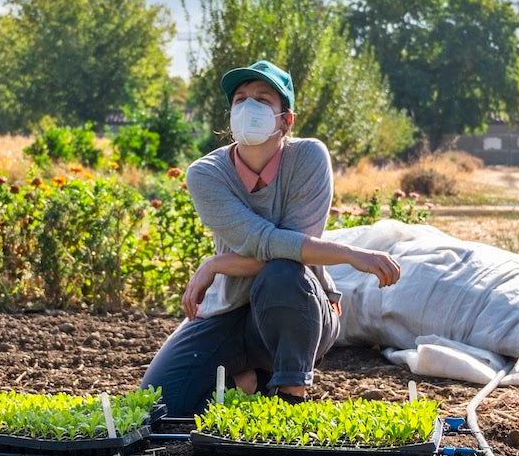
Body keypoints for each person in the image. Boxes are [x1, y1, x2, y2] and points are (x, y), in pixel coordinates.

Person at [139, 60, 402, 415]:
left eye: (263, 99)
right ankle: (252, 383)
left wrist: (217, 263)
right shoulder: (206, 174)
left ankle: (291, 398)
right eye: (240, 99)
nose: (249, 107)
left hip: (298, 307)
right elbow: (263, 241)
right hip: (229, 309)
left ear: (286, 119)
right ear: (230, 114)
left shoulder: (308, 157)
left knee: (281, 273)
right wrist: (348, 254)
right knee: (161, 404)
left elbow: (290, 254)